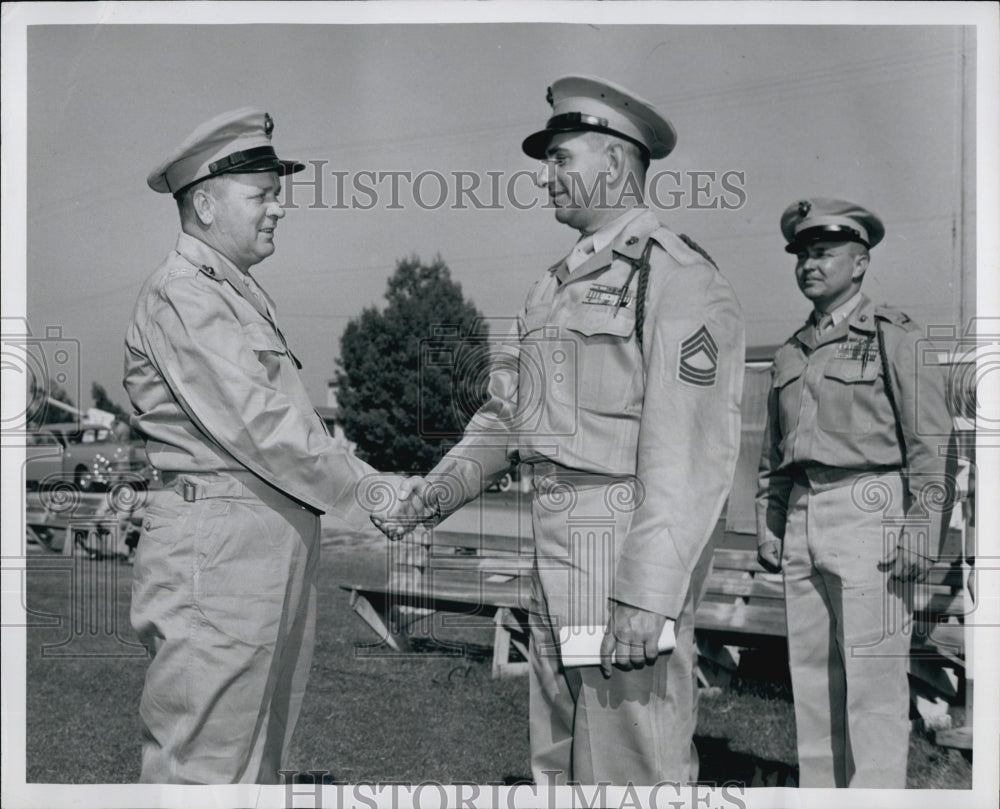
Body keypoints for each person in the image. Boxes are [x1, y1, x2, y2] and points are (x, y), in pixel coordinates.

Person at [378, 76, 745, 784]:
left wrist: (648, 591)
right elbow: (508, 420)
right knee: (558, 759)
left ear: (613, 162)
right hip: (551, 549)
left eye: (561, 157)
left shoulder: (676, 277)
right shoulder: (553, 286)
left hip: (618, 555)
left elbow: (691, 455)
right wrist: (430, 496)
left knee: (632, 765)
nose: (546, 176)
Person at [124, 108, 399, 784]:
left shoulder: (235, 294)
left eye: (278, 193)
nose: (279, 208)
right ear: (207, 203)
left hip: (257, 555)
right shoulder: (184, 295)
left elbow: (287, 428)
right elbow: (265, 428)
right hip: (214, 562)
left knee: (256, 767)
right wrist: (377, 492)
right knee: (203, 770)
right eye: (263, 194)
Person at [756, 198, 956, 787]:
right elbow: (776, 451)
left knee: (872, 686)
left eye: (823, 253)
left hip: (870, 512)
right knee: (814, 684)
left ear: (860, 262)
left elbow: (931, 440)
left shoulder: (893, 334)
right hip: (803, 517)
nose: (809, 265)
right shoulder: (792, 349)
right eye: (802, 255)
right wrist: (771, 521)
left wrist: (923, 529)